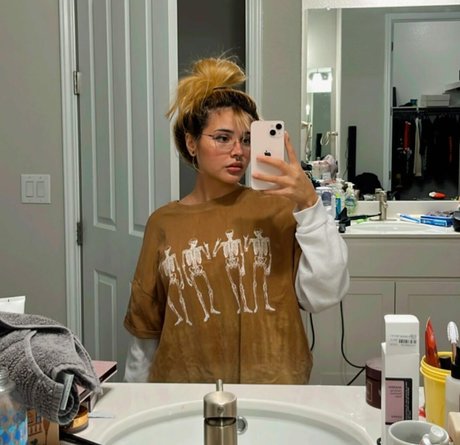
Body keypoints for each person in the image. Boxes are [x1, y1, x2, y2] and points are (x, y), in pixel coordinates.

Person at [123, 56, 349, 384]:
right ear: (191, 142)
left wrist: (309, 204)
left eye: (245, 139)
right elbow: (145, 336)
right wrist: (137, 401)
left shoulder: (277, 210)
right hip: (184, 393)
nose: (238, 151)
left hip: (274, 389)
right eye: (222, 138)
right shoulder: (163, 224)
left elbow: (324, 293)